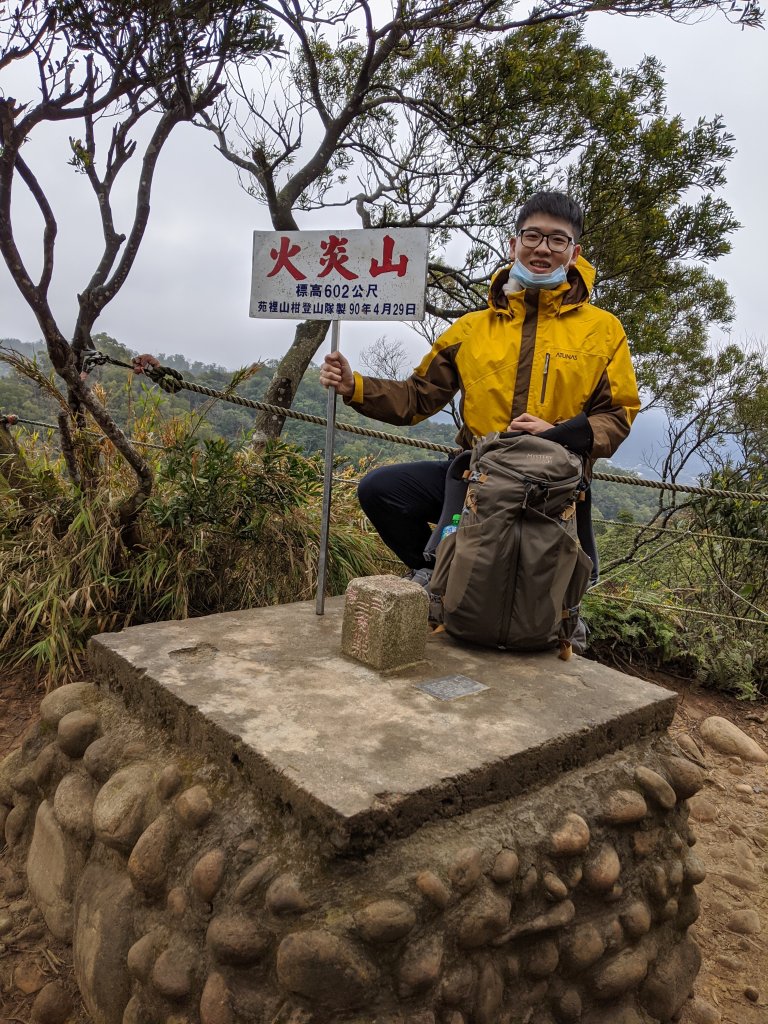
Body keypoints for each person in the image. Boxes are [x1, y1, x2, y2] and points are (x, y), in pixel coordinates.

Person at [331, 193, 638, 585]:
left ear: (574, 253)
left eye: (557, 240)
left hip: (552, 484)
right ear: (514, 245)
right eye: (532, 237)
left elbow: (617, 414)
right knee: (381, 490)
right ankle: (435, 571)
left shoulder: (604, 330)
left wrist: (557, 435)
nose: (543, 248)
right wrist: (353, 385)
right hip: (476, 475)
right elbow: (416, 398)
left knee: (557, 587)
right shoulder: (472, 328)